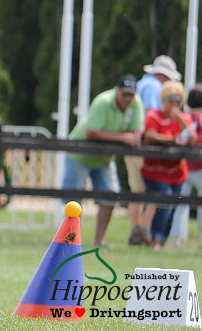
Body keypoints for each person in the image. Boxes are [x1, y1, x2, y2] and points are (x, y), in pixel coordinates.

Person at [61, 74, 144, 247]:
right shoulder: (103, 102)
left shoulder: (136, 105)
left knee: (110, 196)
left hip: (104, 160)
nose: (128, 98)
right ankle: (73, 241)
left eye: (131, 94)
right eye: (124, 94)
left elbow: (135, 132)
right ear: (116, 91)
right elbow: (91, 132)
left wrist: (129, 137)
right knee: (74, 201)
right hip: (79, 155)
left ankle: (99, 241)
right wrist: (122, 137)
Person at [129, 54, 183, 246]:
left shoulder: (142, 84)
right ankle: (141, 231)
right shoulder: (153, 87)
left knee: (137, 192)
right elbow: (152, 118)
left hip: (132, 144)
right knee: (157, 191)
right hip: (145, 148)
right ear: (163, 76)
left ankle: (135, 231)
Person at [138, 80, 196, 250]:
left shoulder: (183, 117)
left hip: (176, 173)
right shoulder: (154, 115)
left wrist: (182, 122)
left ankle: (161, 243)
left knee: (173, 206)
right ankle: (154, 241)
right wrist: (173, 140)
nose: (175, 103)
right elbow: (150, 135)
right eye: (171, 99)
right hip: (154, 171)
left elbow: (192, 139)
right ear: (163, 99)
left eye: (179, 99)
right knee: (164, 201)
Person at [169, 84, 202, 249]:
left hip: (183, 165)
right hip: (199, 167)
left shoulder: (185, 116)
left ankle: (174, 240)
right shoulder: (201, 116)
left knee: (181, 203)